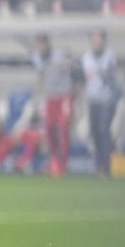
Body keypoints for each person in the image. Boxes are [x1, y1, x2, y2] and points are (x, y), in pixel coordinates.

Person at [31, 33, 76, 177]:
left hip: (64, 96)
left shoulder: (59, 55)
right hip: (50, 97)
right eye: (38, 46)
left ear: (47, 45)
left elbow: (72, 66)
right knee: (49, 130)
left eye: (43, 45)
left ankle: (64, 163)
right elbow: (40, 77)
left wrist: (69, 64)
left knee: (63, 129)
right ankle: (54, 160)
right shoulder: (37, 58)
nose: (41, 48)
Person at [81, 31, 121, 176]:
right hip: (93, 99)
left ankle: (106, 165)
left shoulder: (109, 57)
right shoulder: (86, 57)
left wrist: (103, 72)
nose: (97, 43)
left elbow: (110, 78)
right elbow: (83, 77)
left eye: (99, 40)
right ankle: (99, 164)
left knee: (104, 131)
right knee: (95, 132)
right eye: (94, 40)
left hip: (106, 100)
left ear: (103, 41)